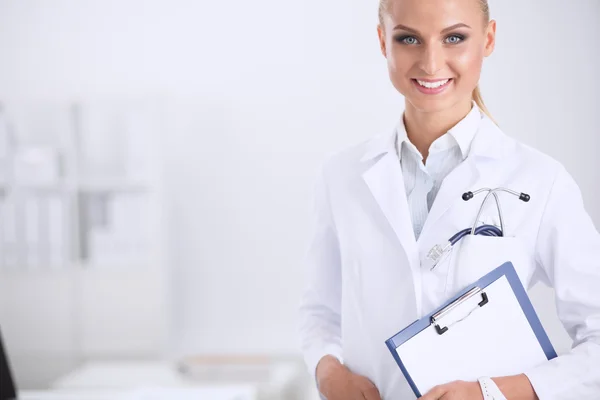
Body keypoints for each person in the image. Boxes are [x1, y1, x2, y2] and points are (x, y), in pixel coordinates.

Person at [297, 0, 600, 398]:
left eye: (454, 37)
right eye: (409, 39)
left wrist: (495, 392)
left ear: (488, 39)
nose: (431, 63)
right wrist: (329, 373)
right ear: (382, 41)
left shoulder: (541, 181)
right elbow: (320, 313)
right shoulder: (342, 176)